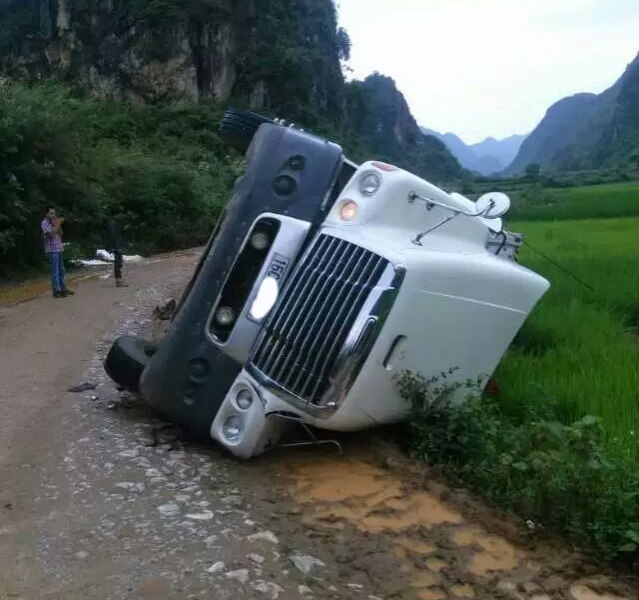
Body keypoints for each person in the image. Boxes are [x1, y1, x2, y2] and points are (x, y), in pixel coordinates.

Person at [41, 208, 74, 298]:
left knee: (62, 270)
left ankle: (63, 289)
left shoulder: (54, 222)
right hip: (52, 250)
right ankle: (56, 291)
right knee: (55, 271)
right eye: (51, 213)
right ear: (46, 214)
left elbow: (61, 233)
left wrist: (58, 225)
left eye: (54, 213)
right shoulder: (44, 223)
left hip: (59, 248)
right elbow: (50, 235)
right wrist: (58, 223)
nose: (53, 215)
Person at [102, 216, 128, 287]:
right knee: (118, 263)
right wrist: (117, 247)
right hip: (116, 246)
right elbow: (114, 236)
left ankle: (119, 280)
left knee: (118, 263)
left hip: (115, 246)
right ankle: (119, 281)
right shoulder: (113, 224)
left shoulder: (112, 224)